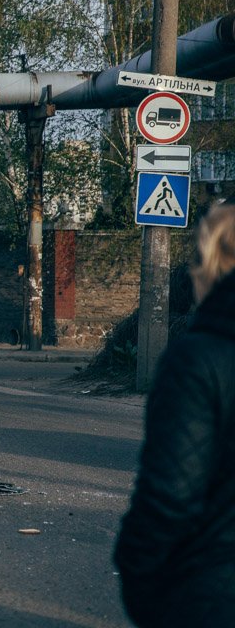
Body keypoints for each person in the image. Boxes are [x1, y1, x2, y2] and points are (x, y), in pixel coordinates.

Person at [114, 202, 235, 626]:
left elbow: (169, 498)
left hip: (211, 591)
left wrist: (139, 579)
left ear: (209, 263)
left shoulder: (199, 359)